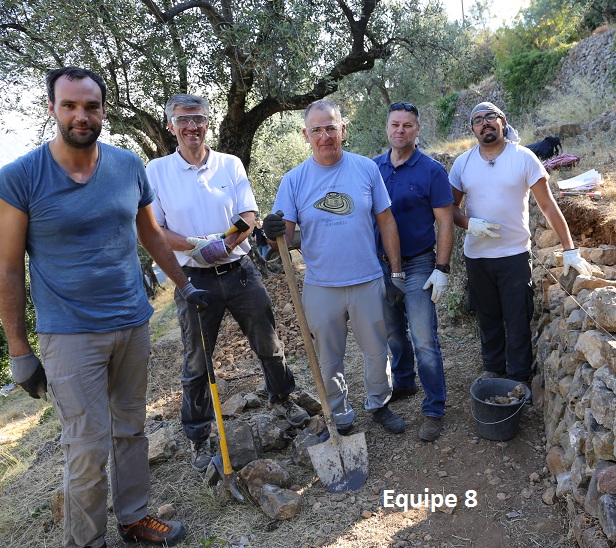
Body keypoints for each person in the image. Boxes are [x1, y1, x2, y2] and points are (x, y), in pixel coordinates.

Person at [0, 67, 202, 547]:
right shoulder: (20, 177)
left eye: (90, 106)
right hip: (69, 334)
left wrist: (185, 286)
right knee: (86, 447)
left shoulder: (127, 166)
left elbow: (151, 234)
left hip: (132, 323)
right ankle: (86, 542)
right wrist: (19, 350)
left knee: (130, 429)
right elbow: (7, 269)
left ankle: (134, 518)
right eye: (69, 105)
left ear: (103, 111)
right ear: (52, 108)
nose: (81, 115)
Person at [145, 94, 309, 472]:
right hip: (192, 280)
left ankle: (282, 399)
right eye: (183, 119)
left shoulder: (229, 163)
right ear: (171, 126)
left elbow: (247, 215)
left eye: (198, 119)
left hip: (239, 271)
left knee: (269, 343)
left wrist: (224, 244)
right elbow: (154, 228)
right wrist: (194, 247)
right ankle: (199, 435)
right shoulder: (157, 171)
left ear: (207, 123)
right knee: (196, 361)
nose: (191, 126)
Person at [264, 99, 407, 436]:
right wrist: (271, 233)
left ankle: (379, 404)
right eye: (316, 130)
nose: (324, 136)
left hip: (367, 280)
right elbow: (282, 238)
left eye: (330, 128)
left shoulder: (365, 169)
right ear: (306, 135)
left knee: (377, 352)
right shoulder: (294, 180)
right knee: (328, 359)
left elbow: (386, 221)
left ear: (343, 129)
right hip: (321, 285)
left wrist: (396, 273)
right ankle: (339, 414)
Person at [450, 101, 593, 383]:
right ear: (473, 130)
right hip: (477, 256)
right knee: (487, 317)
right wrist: (469, 223)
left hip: (514, 255)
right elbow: (450, 209)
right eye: (478, 120)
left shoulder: (524, 158)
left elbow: (548, 206)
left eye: (491, 117)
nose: (485, 123)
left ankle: (518, 378)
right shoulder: (462, 164)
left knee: (517, 318)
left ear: (503, 122)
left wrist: (570, 250)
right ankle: (493, 369)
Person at [373, 102, 454, 442]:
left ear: (417, 130)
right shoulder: (373, 168)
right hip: (380, 264)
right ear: (387, 128)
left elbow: (445, 222)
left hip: (419, 263)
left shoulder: (432, 171)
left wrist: (442, 268)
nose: (400, 130)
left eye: (407, 125)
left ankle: (434, 408)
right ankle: (404, 382)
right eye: (395, 124)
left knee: (423, 338)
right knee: (393, 332)